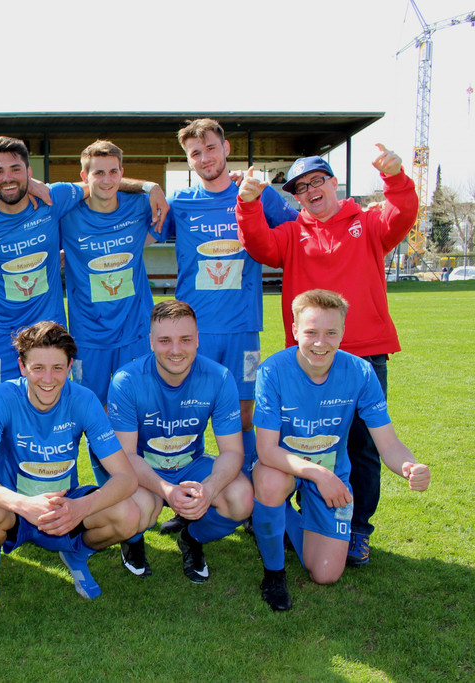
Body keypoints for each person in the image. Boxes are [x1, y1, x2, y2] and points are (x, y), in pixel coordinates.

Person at [236, 144, 419, 566]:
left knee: (362, 448)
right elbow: (258, 243)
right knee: (288, 442)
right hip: (303, 360)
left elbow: (402, 214)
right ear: (296, 197)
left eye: (317, 180)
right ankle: (278, 512)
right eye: (301, 187)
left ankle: (356, 529)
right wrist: (247, 202)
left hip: (364, 355)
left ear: (334, 183)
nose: (311, 190)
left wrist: (395, 178)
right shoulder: (292, 234)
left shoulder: (367, 223)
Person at [158, 120, 299, 540]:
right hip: (192, 332)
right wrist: (147, 188)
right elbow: (137, 220)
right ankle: (189, 502)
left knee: (244, 414)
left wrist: (264, 189)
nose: (205, 158)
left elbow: (297, 221)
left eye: (211, 149)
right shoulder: (181, 204)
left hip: (240, 328)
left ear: (226, 148)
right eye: (195, 154)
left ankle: (257, 503)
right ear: (188, 160)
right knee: (188, 416)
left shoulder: (252, 195)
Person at [250, 289, 430, 611]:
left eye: (331, 333)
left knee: (326, 574)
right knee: (270, 483)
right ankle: (273, 574)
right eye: (311, 333)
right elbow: (266, 450)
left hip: (332, 474)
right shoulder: (272, 371)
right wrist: (319, 474)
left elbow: (387, 443)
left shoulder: (360, 372)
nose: (321, 343)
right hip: (283, 466)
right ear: (294, 331)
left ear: (343, 332)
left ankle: (280, 517)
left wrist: (409, 466)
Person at [0, 321, 140, 601]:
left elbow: (126, 478)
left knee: (129, 516)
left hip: (64, 508)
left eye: (57, 368)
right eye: (38, 368)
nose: (48, 379)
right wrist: (25, 505)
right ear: (22, 367)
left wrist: (81, 507)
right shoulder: (3, 397)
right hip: (14, 507)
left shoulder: (84, 400)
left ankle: (77, 556)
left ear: (70, 368)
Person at [0, 136, 167, 389]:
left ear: (29, 173)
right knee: (3, 410)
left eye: (16, 170)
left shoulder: (53, 200)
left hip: (50, 329)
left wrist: (150, 187)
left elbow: (101, 183)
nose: (8, 177)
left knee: (61, 406)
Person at [107, 300, 253, 582]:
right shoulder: (127, 380)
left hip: (190, 465)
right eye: (165, 341)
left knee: (242, 498)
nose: (176, 350)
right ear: (151, 342)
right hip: (141, 468)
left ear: (198, 339)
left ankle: (192, 537)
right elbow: (125, 456)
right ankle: (133, 540)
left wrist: (208, 490)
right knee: (136, 510)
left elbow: (233, 452)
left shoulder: (219, 378)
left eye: (185, 339)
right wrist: (166, 490)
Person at [60, 140, 158, 405]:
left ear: (122, 173)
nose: (107, 180)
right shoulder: (67, 215)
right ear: (84, 177)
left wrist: (151, 187)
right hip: (88, 334)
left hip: (135, 329)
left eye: (113, 172)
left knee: (138, 405)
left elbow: (158, 229)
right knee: (93, 411)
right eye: (98, 173)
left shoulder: (139, 206)